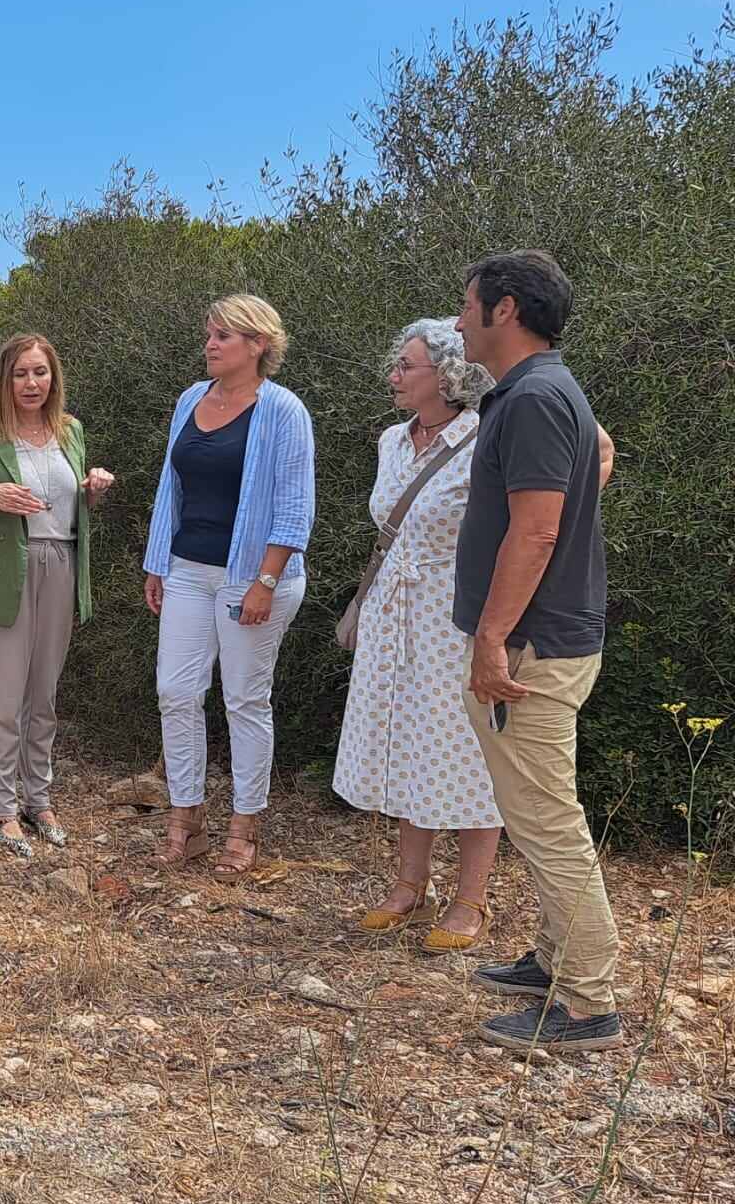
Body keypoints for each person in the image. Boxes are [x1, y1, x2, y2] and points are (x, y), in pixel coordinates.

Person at [452, 250, 624, 1052]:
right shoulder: (550, 391)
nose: (459, 322)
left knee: (548, 820)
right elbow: (598, 458)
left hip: (530, 648)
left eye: (467, 307)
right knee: (534, 810)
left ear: (504, 309)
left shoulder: (532, 400)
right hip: (550, 637)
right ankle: (555, 959)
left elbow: (539, 526)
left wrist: (492, 637)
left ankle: (587, 1000)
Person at [332, 319, 503, 949]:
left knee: (462, 752)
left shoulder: (485, 435)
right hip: (391, 616)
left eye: (407, 365)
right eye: (395, 364)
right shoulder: (390, 441)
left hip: (452, 618)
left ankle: (472, 898)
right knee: (404, 742)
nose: (394, 375)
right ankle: (411, 884)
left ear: (448, 374)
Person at [142, 294, 315, 881]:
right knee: (176, 691)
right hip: (188, 569)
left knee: (244, 699)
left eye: (223, 336)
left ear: (258, 344)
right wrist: (157, 562)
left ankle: (245, 829)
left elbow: (295, 508)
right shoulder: (191, 398)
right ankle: (185, 821)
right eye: (209, 333)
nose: (210, 344)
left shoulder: (284, 410)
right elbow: (172, 486)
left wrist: (266, 581)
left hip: (254, 576)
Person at [0, 333, 115, 857]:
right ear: (4, 378)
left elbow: (68, 506)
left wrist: (91, 492)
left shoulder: (71, 430)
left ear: (53, 377)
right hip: (3, 571)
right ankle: (1, 810)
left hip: (61, 563)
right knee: (3, 697)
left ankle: (37, 801)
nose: (31, 383)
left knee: (44, 693)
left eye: (40, 372)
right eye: (21, 373)